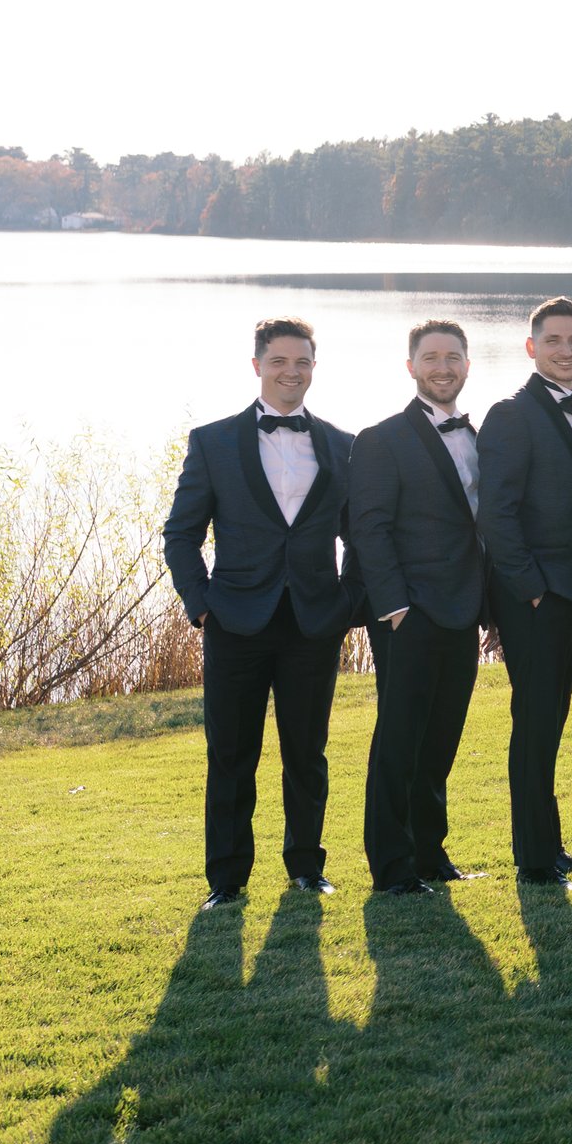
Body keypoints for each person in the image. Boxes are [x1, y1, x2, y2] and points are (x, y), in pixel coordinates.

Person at [162, 318, 354, 909]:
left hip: (313, 625)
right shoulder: (213, 441)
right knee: (231, 755)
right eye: (279, 362)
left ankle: (305, 867)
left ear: (314, 368)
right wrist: (200, 607)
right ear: (257, 366)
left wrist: (347, 602)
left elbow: (364, 536)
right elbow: (180, 535)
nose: (291, 372)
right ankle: (227, 880)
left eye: (302, 362)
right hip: (235, 622)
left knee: (306, 753)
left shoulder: (345, 445)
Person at [347, 319, 485, 895]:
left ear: (467, 365)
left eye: (453, 357)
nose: (443, 367)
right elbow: (367, 529)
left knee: (441, 738)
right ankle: (391, 865)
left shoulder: (480, 435)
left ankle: (430, 852)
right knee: (399, 739)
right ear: (411, 367)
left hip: (464, 609)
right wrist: (394, 608)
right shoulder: (380, 438)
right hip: (409, 613)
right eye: (431, 358)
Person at [478, 297, 572, 885]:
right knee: (534, 722)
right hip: (535, 597)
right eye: (553, 341)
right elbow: (497, 515)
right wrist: (529, 590)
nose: (566, 350)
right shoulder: (510, 414)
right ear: (532, 348)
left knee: (551, 720)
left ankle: (550, 846)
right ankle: (533, 858)